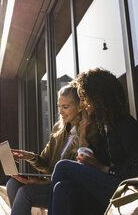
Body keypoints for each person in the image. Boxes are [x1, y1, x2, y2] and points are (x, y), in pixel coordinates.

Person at [48, 68, 138, 215]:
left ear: (98, 98)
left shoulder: (126, 125)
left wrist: (104, 169)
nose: (82, 104)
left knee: (62, 167)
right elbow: (89, 166)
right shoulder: (102, 127)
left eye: (84, 99)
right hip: (106, 190)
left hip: (127, 190)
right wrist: (84, 139)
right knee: (62, 188)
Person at [6, 83, 82, 215]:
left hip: (65, 189)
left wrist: (43, 182)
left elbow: (75, 175)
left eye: (65, 107)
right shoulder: (59, 129)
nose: (60, 112)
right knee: (12, 184)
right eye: (59, 107)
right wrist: (30, 156)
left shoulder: (86, 132)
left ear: (79, 107)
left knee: (25, 193)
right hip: (50, 183)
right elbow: (45, 162)